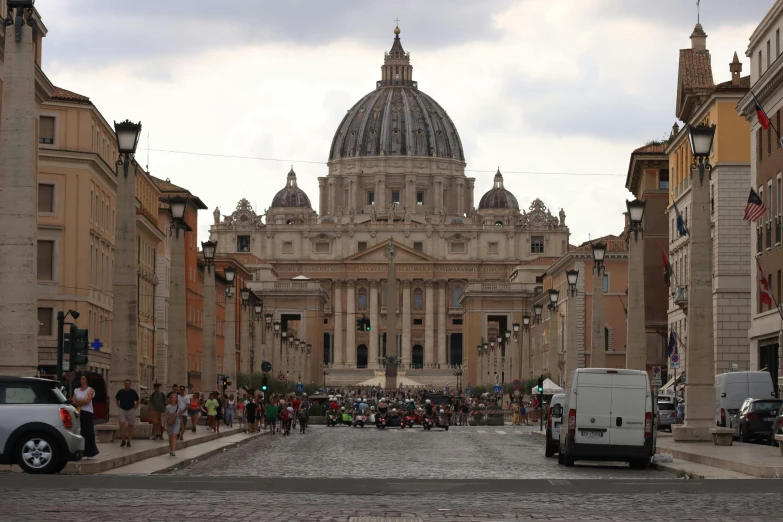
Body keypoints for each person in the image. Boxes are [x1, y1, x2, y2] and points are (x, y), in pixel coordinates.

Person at [72, 375, 98, 459]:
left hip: (87, 412)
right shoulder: (76, 390)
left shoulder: (90, 390)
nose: (81, 380)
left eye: (83, 378)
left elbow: (87, 401)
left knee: (89, 432)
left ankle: (90, 452)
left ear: (87, 380)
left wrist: (78, 402)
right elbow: (73, 400)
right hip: (79, 412)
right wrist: (78, 402)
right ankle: (81, 451)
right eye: (81, 378)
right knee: (81, 432)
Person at [115, 379, 139, 448]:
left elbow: (137, 401)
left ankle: (129, 440)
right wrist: (119, 407)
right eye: (126, 383)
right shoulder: (120, 392)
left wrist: (134, 408)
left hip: (130, 409)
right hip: (122, 409)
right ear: (124, 384)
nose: (127, 385)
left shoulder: (133, 392)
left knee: (130, 425)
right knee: (122, 424)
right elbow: (116, 399)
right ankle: (123, 440)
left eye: (128, 383)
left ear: (130, 385)